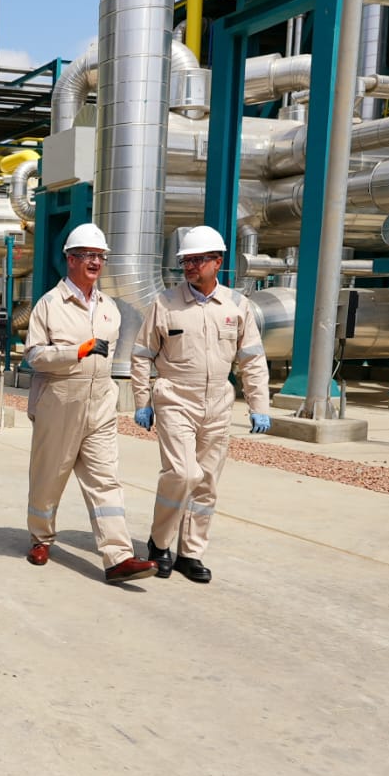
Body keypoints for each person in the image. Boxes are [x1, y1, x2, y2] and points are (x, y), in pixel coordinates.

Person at [131, 225, 271, 584]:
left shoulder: (237, 305)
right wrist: (142, 400)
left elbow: (252, 359)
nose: (190, 267)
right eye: (186, 261)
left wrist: (259, 405)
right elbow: (142, 354)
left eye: (197, 260)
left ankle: (190, 553)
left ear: (217, 262)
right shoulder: (165, 303)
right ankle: (160, 543)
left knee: (206, 481)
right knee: (182, 473)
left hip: (218, 402)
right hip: (176, 397)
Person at [23, 223, 158, 585]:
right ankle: (41, 538)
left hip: (99, 403)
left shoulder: (109, 308)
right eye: (87, 255)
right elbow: (34, 356)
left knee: (106, 479)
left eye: (100, 256)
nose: (95, 262)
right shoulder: (49, 305)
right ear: (70, 259)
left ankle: (118, 557)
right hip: (59, 399)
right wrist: (75, 352)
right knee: (49, 476)